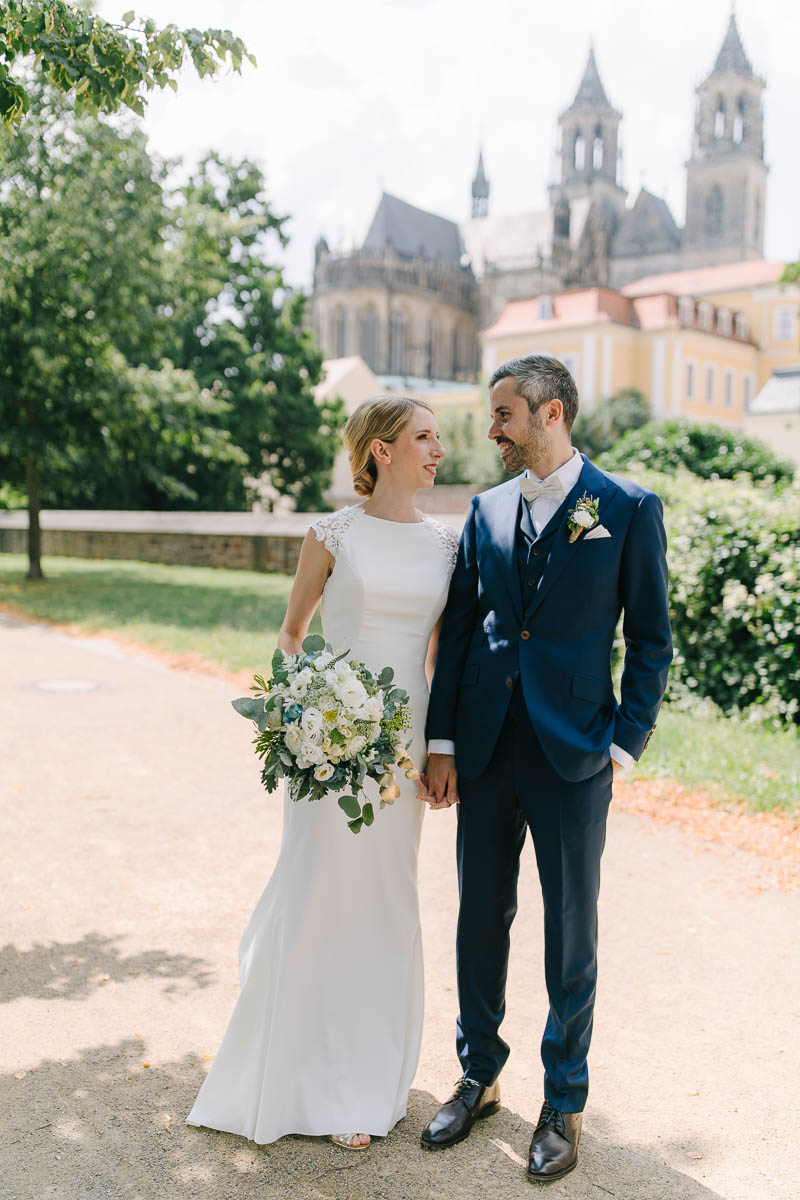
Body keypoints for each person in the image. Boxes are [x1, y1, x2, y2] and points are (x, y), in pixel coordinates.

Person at [418, 354, 672, 1183]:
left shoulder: (628, 509)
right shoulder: (484, 510)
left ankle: (564, 1099)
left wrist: (623, 742)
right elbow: (461, 633)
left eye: (504, 417)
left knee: (570, 932)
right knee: (478, 917)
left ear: (550, 413)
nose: (490, 431)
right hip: (486, 749)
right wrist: (444, 742)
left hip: (575, 755)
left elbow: (653, 641)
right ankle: (480, 1074)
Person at [187, 395, 459, 1150]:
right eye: (424, 436)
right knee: (318, 888)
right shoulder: (331, 533)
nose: (439, 448)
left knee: (384, 894)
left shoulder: (446, 545)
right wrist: (304, 714)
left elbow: (441, 656)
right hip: (329, 742)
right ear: (381, 449)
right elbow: (292, 631)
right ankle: (299, 1069)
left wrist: (442, 747)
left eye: (439, 437)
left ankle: (365, 1075)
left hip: (400, 745)